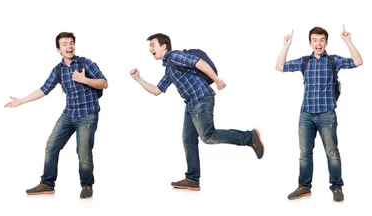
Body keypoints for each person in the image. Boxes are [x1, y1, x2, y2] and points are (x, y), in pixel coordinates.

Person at [129, 33, 264, 191]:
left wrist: (218, 80)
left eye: (153, 44)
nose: (150, 48)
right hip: (191, 104)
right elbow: (157, 90)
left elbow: (198, 62)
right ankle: (192, 179)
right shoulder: (169, 69)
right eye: (149, 46)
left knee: (208, 135)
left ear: (164, 46)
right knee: (188, 139)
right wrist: (138, 79)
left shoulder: (174, 56)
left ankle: (249, 137)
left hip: (201, 98)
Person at [4, 32, 108, 199]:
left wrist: (85, 80)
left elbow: (104, 83)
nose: (69, 46)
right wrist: (21, 101)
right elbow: (43, 89)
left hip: (87, 114)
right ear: (59, 49)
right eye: (65, 44)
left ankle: (87, 185)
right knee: (51, 146)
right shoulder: (58, 70)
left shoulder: (85, 63)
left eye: (72, 43)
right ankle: (47, 184)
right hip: (69, 114)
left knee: (84, 152)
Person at [275, 25, 362, 202]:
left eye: (321, 40)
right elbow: (280, 66)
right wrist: (286, 45)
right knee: (305, 154)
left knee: (332, 153)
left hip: (327, 115)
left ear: (326, 42)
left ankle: (337, 187)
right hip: (306, 115)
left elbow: (358, 62)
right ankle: (304, 187)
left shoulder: (333, 61)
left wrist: (348, 41)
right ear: (310, 43)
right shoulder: (304, 61)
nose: (318, 43)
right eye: (315, 40)